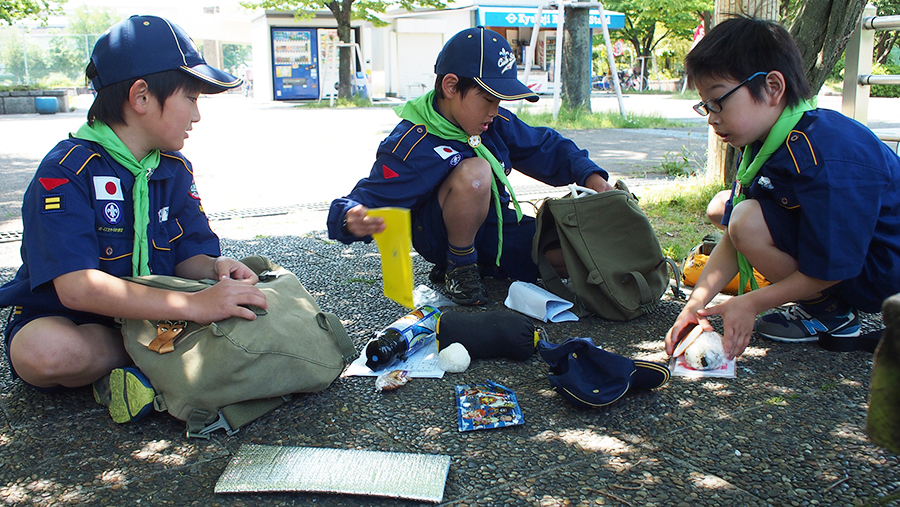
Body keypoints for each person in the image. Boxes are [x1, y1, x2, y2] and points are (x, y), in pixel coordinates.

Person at [0, 15, 268, 423]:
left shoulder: (174, 169)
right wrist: (191, 306)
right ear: (141, 96)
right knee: (44, 352)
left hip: (159, 319)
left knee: (241, 306)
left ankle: (137, 373)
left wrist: (216, 268)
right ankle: (155, 360)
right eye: (192, 99)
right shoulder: (67, 171)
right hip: (80, 321)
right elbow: (76, 288)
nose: (197, 116)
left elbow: (188, 256)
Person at [665, 16, 900, 360]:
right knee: (731, 211)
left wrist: (751, 303)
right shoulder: (769, 139)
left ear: (773, 88)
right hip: (852, 254)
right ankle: (824, 303)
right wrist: (696, 304)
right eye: (705, 106)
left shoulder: (827, 155)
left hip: (881, 272)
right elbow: (733, 235)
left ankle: (831, 313)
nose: (712, 117)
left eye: (718, 101)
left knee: (745, 219)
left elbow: (834, 264)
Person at [327, 27, 613, 305]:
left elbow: (544, 145)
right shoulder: (412, 144)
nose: (495, 110)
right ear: (451, 86)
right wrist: (349, 217)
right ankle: (460, 268)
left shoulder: (492, 122)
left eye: (500, 100)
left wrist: (590, 176)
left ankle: (487, 266)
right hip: (440, 237)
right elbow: (362, 199)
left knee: (575, 257)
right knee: (477, 171)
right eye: (488, 99)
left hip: (493, 230)